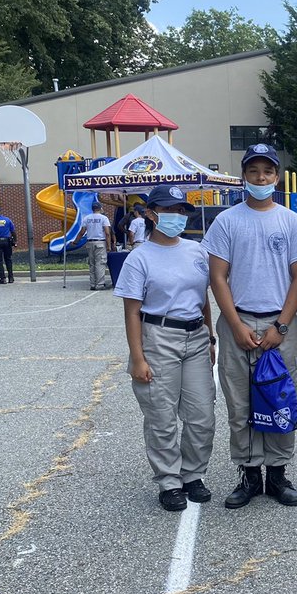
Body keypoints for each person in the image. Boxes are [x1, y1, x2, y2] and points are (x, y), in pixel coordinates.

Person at [206, 144, 297, 509]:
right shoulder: (227, 221)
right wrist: (234, 324)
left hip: (279, 323)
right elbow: (218, 277)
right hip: (239, 319)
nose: (260, 178)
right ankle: (249, 473)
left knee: (281, 394)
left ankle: (278, 475)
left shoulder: (291, 221)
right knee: (240, 399)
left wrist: (280, 326)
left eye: (267, 172)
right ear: (244, 177)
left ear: (276, 177)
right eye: (253, 172)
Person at [113, 185, 217, 512]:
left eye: (180, 210)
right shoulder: (139, 258)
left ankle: (193, 474)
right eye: (168, 210)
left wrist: (210, 336)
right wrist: (137, 357)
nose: (176, 216)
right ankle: (170, 481)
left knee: (202, 414)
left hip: (196, 337)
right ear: (150, 213)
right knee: (161, 415)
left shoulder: (197, 251)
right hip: (158, 336)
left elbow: (204, 300)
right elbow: (132, 311)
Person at [81, 200, 115, 290]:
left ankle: (92, 284)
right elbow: (107, 233)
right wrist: (108, 246)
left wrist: (76, 241)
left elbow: (82, 231)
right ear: (100, 208)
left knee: (92, 264)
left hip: (89, 242)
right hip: (100, 242)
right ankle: (100, 284)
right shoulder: (104, 218)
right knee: (100, 263)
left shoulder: (86, 218)